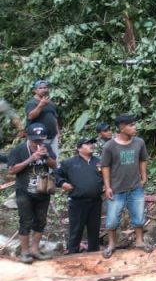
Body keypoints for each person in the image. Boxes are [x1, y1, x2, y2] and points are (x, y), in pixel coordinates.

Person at [101, 114, 152, 258]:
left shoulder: (139, 142)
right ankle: (111, 244)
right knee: (112, 219)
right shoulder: (110, 146)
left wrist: (144, 177)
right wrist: (108, 187)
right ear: (122, 128)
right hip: (117, 189)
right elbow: (105, 166)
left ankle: (140, 241)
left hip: (135, 187)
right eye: (131, 125)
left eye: (134, 124)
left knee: (139, 216)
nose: (134, 127)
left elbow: (143, 160)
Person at [8, 123, 56, 263]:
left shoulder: (46, 148)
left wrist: (46, 156)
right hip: (24, 192)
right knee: (25, 221)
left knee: (41, 221)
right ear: (28, 136)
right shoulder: (19, 150)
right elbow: (11, 170)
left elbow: (54, 165)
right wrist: (31, 158)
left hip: (43, 190)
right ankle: (24, 252)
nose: (38, 142)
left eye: (41, 139)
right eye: (35, 140)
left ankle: (35, 250)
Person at [55, 138, 104, 254]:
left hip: (95, 201)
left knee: (94, 228)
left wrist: (106, 186)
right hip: (77, 201)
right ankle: (73, 253)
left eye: (91, 143)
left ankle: (93, 252)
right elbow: (55, 174)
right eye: (87, 144)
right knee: (76, 229)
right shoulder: (69, 163)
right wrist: (63, 183)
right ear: (79, 148)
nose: (91, 145)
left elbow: (107, 176)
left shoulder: (98, 162)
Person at [25, 79, 60, 159]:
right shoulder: (31, 103)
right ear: (35, 90)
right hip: (39, 137)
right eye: (40, 88)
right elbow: (30, 116)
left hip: (53, 136)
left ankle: (54, 171)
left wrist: (58, 132)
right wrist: (41, 105)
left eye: (45, 87)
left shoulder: (50, 102)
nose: (43, 89)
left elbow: (54, 118)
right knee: (41, 158)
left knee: (54, 157)